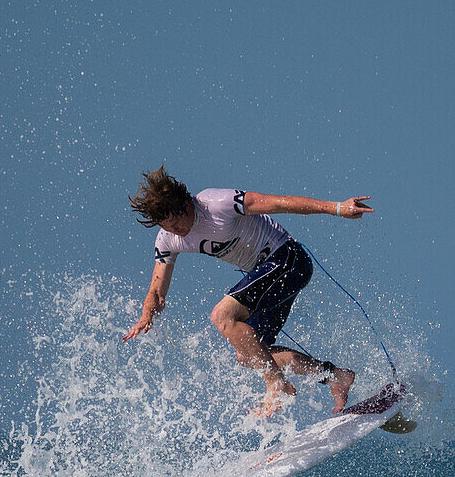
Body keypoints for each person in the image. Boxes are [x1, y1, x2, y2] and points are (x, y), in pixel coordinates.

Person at [122, 167, 374, 418]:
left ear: (186, 204)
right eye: (169, 228)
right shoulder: (167, 239)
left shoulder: (215, 203)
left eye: (177, 223)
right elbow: (156, 290)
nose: (177, 232)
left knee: (222, 316)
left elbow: (280, 203)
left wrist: (338, 208)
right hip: (269, 276)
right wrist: (146, 317)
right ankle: (335, 376)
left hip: (288, 259)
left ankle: (276, 385)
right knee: (250, 352)